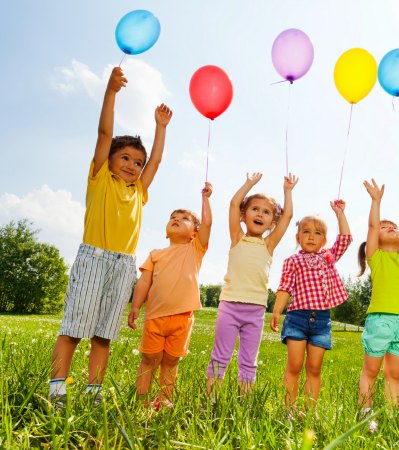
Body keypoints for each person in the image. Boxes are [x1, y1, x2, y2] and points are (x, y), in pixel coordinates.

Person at [49, 66, 172, 409]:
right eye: (127, 158)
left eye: (138, 162)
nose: (134, 166)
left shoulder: (139, 191)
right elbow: (104, 134)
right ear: (110, 160)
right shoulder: (100, 177)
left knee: (103, 334)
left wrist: (160, 128)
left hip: (123, 267)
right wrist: (111, 93)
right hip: (94, 258)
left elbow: (158, 161)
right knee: (74, 329)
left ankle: (93, 393)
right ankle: (57, 391)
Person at [206, 172, 298, 396]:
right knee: (220, 356)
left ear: (271, 223)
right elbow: (233, 203)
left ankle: (244, 401)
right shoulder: (237, 237)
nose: (259, 214)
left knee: (249, 360)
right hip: (229, 306)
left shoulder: (269, 244)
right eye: (255, 209)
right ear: (243, 215)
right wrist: (249, 183)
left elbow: (287, 217)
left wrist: (287, 191)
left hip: (255, 310)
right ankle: (210, 400)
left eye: (266, 212)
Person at [127, 182, 212, 410]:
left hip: (182, 318)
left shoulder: (195, 249)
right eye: (173, 217)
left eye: (184, 218)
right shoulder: (155, 254)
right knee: (148, 359)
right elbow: (144, 282)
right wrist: (135, 306)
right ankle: (142, 399)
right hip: (155, 316)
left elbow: (208, 224)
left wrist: (205, 199)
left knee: (171, 360)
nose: (176, 219)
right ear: (166, 231)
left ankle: (164, 399)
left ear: (194, 232)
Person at [270, 199, 352, 412]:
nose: (311, 236)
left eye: (317, 233)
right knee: (294, 365)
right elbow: (285, 287)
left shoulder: (328, 258)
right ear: (298, 237)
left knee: (314, 368)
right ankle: (288, 409)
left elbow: (345, 239)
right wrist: (277, 311)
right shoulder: (292, 261)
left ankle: (309, 411)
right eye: (306, 232)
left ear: (324, 240)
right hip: (297, 318)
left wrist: (339, 213)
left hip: (321, 320)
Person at [357, 180, 399, 419]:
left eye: (393, 226)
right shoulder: (376, 257)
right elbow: (372, 227)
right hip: (380, 319)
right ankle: (365, 413)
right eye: (385, 227)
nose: (391, 227)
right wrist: (376, 201)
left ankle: (394, 414)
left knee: (394, 373)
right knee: (371, 370)